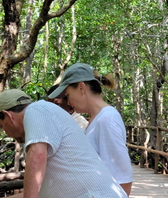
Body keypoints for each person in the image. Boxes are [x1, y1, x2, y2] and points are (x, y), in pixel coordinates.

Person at [0, 89, 128, 198]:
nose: (7, 134)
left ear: (8, 115)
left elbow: (37, 156)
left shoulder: (35, 110)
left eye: (2, 126)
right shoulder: (45, 122)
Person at [48, 63, 133, 196]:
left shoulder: (107, 118)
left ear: (81, 87)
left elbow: (123, 177)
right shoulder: (95, 119)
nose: (68, 101)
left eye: (68, 94)